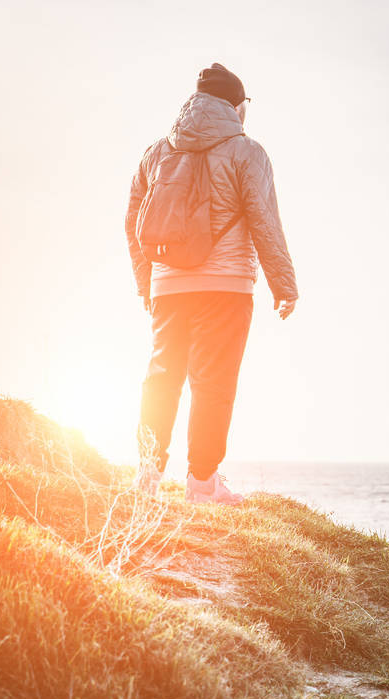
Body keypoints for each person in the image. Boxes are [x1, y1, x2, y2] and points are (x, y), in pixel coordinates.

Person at [125, 62, 298, 505]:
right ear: (236, 108)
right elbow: (264, 220)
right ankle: (202, 484)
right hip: (225, 285)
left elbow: (133, 221)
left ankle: (147, 474)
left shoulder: (157, 152)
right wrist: (284, 284)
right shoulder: (248, 152)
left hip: (167, 287)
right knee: (213, 383)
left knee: (162, 377)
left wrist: (146, 283)